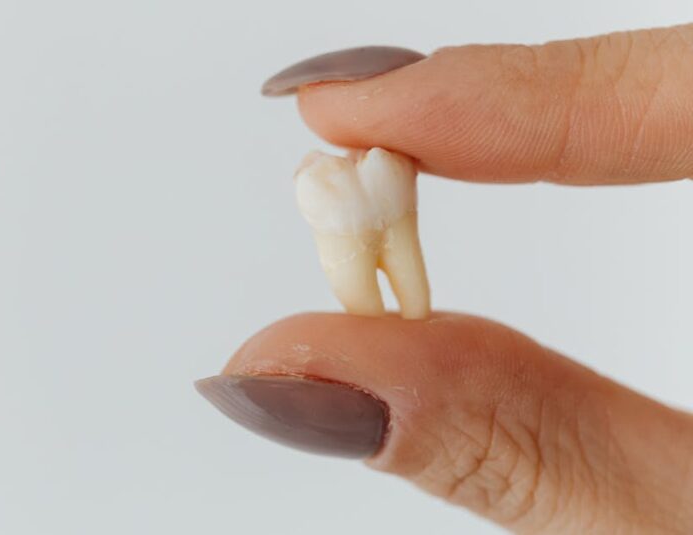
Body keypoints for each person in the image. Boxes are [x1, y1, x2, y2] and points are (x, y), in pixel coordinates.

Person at [196, 24, 693, 534]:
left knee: (405, 302)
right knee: (395, 303)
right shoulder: (343, 186)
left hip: (377, 207)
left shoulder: (363, 183)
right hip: (364, 210)